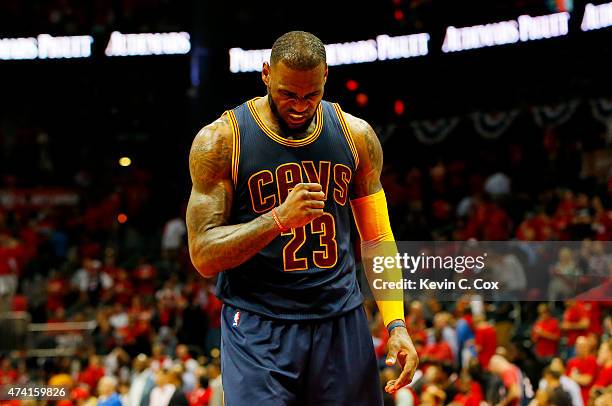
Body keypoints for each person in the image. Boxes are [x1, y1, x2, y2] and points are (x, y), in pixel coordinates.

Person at [186, 30, 418, 405]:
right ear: (265, 75)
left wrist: (396, 324)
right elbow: (203, 254)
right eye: (287, 94)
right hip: (259, 325)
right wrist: (277, 219)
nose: (299, 105)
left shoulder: (356, 135)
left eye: (311, 95)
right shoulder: (222, 141)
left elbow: (377, 238)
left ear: (325, 76)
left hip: (340, 318)